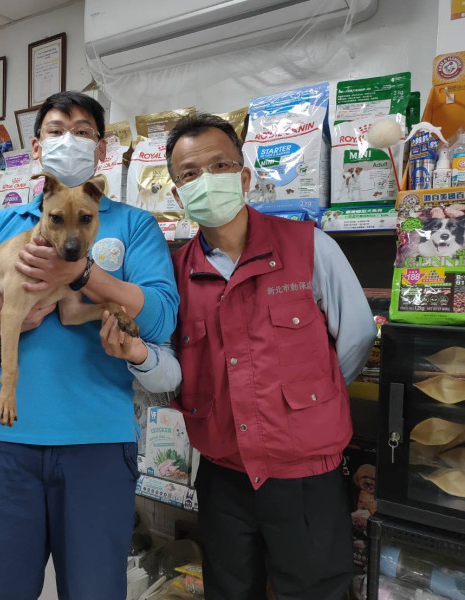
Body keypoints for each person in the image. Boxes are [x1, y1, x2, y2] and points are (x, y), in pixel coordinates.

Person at [0, 91, 179, 600]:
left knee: (93, 591)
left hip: (98, 445)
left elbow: (160, 317)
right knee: (2, 588)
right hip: (7, 444)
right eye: (57, 130)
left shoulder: (134, 225)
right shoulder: (3, 224)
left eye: (84, 131)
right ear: (38, 147)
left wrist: (85, 274)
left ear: (102, 149)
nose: (70, 139)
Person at [126, 113, 376, 600]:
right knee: (229, 590)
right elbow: (171, 366)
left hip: (306, 472)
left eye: (219, 166)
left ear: (243, 177)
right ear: (177, 194)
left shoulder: (309, 247)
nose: (205, 181)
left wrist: (308, 407)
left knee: (314, 591)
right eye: (189, 175)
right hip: (224, 475)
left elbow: (357, 337)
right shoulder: (175, 274)